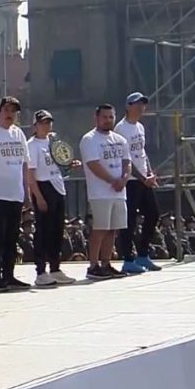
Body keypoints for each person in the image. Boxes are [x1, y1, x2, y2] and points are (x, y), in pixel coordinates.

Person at [0, 96, 32, 292]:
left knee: (12, 237)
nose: (10, 114)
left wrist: (25, 191)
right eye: (7, 109)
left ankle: (9, 275)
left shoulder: (18, 133)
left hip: (15, 193)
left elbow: (24, 163)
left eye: (13, 111)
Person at [26, 110, 79, 287]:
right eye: (42, 122)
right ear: (35, 125)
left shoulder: (53, 141)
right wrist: (38, 197)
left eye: (48, 122)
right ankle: (41, 271)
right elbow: (30, 174)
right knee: (43, 231)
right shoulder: (32, 145)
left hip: (58, 187)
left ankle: (55, 268)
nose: (46, 126)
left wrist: (70, 163)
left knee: (57, 230)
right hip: (43, 186)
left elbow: (61, 162)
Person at [79, 104, 131, 280]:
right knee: (100, 228)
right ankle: (93, 265)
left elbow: (127, 162)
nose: (108, 120)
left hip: (118, 192)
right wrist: (112, 180)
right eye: (104, 117)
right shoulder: (89, 139)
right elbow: (93, 164)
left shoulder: (120, 139)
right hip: (100, 192)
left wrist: (124, 179)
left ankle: (106, 263)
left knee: (112, 230)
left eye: (111, 117)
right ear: (97, 118)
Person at [114, 92, 162, 273]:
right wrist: (142, 178)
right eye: (137, 104)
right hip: (131, 180)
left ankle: (143, 253)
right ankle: (128, 258)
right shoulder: (121, 129)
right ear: (128, 106)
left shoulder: (140, 127)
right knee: (130, 220)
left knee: (153, 213)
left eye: (143, 105)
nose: (141, 108)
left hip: (144, 178)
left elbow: (142, 153)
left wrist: (150, 173)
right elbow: (125, 159)